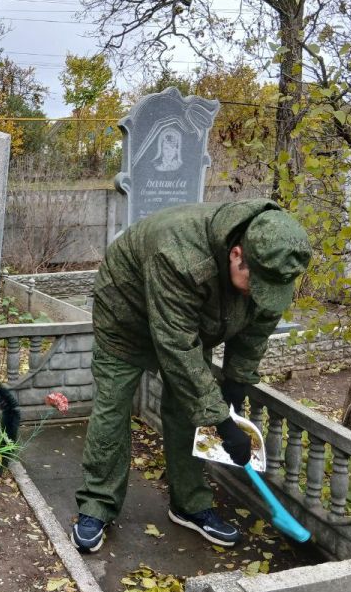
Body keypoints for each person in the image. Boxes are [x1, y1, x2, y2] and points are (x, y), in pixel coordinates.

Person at [71, 199, 311, 552]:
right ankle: (97, 506)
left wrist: (234, 385)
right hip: (126, 318)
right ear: (237, 254)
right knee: (112, 409)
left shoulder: (273, 265)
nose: (257, 293)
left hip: (191, 322)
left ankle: (190, 505)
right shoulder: (179, 254)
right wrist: (220, 421)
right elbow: (177, 349)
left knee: (186, 412)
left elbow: (257, 327)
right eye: (254, 283)